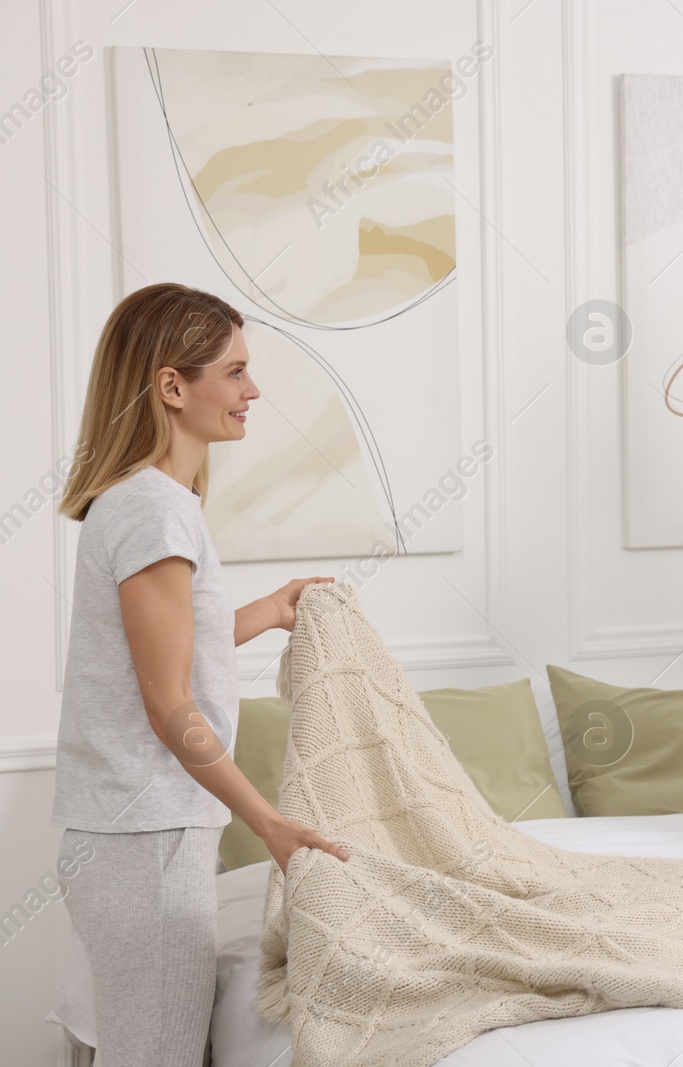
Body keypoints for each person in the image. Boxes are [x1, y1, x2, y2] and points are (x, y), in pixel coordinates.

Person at [51, 282, 352, 1066]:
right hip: (145, 840)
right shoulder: (154, 510)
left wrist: (270, 609)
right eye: (236, 371)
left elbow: (158, 652)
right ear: (173, 386)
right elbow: (168, 704)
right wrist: (271, 823)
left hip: (137, 834)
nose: (253, 391)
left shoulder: (145, 503)